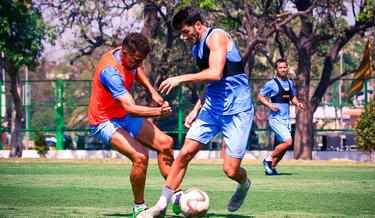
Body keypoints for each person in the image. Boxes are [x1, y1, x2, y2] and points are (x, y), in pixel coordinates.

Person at [138, 6, 253, 217]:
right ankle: (160, 206)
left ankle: (244, 184)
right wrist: (197, 108)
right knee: (184, 154)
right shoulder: (195, 49)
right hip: (211, 109)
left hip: (237, 110)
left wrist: (180, 78)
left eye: (185, 31)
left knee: (230, 170)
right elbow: (208, 82)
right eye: (180, 33)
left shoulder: (217, 37)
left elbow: (216, 73)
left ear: (197, 25)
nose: (183, 37)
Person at [88, 32, 180, 218]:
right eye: (137, 59)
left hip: (122, 114)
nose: (139, 64)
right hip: (104, 120)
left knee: (166, 143)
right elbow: (130, 108)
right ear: (124, 52)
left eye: (142, 60)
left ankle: (176, 197)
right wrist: (158, 112)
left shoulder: (129, 58)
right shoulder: (110, 72)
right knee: (140, 156)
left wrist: (151, 90)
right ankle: (139, 207)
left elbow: (136, 70)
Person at [257, 58, 304, 176]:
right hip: (275, 119)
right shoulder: (271, 83)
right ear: (276, 69)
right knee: (288, 142)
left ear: (287, 68)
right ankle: (267, 160)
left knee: (282, 147)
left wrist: (297, 103)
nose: (283, 69)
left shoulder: (290, 83)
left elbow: (292, 97)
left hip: (286, 119)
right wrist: (270, 105)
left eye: (285, 67)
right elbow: (260, 97)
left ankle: (271, 168)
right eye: (280, 67)